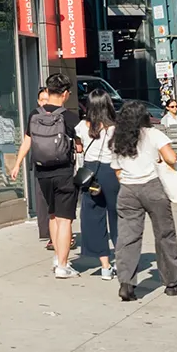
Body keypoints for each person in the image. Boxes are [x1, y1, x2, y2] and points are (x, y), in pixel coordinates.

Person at [109, 99, 177, 301]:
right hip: (153, 187)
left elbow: (117, 170)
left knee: (128, 237)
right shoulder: (153, 134)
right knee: (164, 235)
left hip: (127, 189)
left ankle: (126, 283)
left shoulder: (117, 139)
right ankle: (172, 282)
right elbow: (171, 158)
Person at [10, 73, 83, 277]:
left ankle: (57, 256)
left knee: (52, 214)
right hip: (64, 172)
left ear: (48, 91)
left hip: (41, 172)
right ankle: (62, 264)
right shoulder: (69, 117)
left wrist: (17, 164)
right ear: (66, 93)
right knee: (65, 219)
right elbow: (79, 147)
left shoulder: (34, 114)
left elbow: (27, 141)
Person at [75, 92, 120, 281]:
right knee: (118, 217)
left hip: (90, 174)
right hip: (112, 172)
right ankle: (122, 259)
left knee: (94, 218)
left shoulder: (81, 127)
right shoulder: (115, 128)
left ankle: (105, 266)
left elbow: (78, 149)